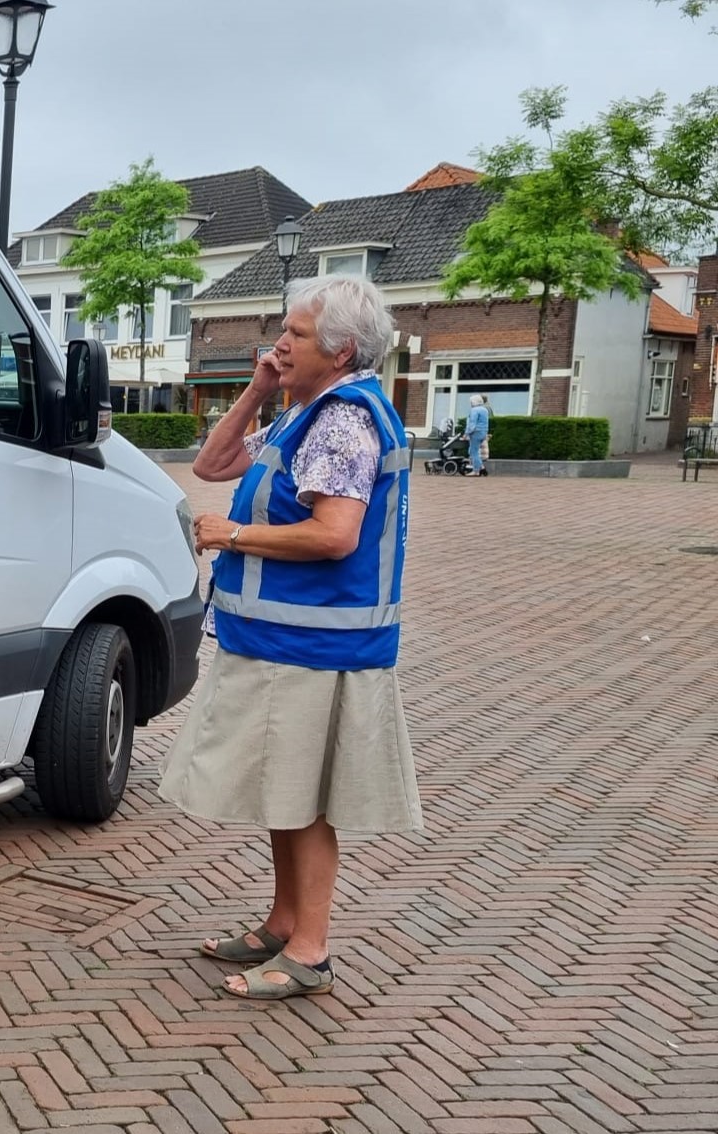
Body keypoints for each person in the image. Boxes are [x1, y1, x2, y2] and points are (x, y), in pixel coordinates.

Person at [163, 273, 420, 1000]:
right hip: (287, 644)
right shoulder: (305, 413)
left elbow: (335, 534)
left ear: (339, 351)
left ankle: (309, 951)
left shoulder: (342, 420)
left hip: (313, 649)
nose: (280, 341)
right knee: (286, 793)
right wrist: (259, 389)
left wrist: (233, 533)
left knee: (304, 803)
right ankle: (282, 924)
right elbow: (212, 464)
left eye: (296, 334)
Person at [466, 393, 491, 476]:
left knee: (474, 452)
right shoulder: (484, 410)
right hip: (483, 432)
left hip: (476, 433)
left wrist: (467, 433)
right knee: (475, 451)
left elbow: (472, 423)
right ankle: (482, 468)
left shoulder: (474, 410)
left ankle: (476, 470)